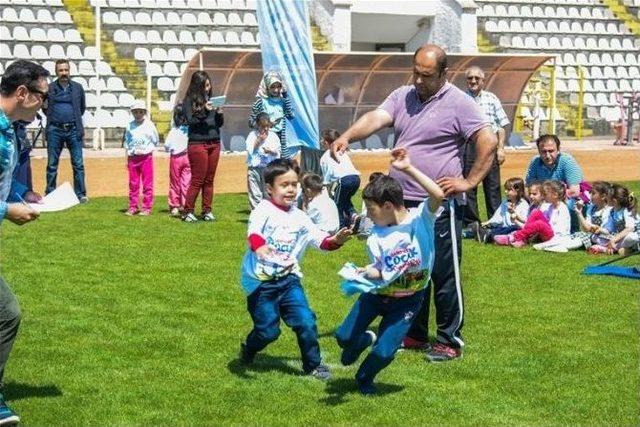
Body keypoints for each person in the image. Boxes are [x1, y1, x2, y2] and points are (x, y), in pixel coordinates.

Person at [331, 44, 498, 362]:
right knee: (410, 266)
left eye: (427, 76)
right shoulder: (403, 95)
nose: (419, 81)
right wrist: (348, 136)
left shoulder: (459, 103)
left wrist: (469, 182)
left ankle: (450, 340)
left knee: (444, 274)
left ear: (443, 73)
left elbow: (488, 140)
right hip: (402, 203)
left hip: (437, 203)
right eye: (416, 73)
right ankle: (416, 333)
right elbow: (377, 117)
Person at [334, 147, 444, 395]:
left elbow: (437, 194)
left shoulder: (420, 220)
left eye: (371, 210)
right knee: (343, 338)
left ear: (386, 206)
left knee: (385, 351)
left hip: (408, 301)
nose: (369, 216)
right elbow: (381, 268)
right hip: (376, 295)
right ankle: (362, 340)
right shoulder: (377, 234)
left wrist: (407, 168)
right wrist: (365, 271)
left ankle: (364, 377)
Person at [238, 158, 351, 380]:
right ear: (270, 188)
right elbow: (254, 233)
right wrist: (259, 247)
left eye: (294, 184)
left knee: (306, 321)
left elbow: (321, 242)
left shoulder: (301, 218)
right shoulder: (263, 209)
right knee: (268, 331)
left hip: (289, 280)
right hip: (261, 283)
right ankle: (250, 348)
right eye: (284, 185)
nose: (291, 189)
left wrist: (336, 240)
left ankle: (313, 365)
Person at [0, 59, 49, 425]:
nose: (43, 104)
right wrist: (6, 211)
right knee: (7, 314)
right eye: (41, 96)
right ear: (22, 93)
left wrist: (23, 193)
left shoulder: (10, 131)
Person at [462, 66, 510, 233]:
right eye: (470, 78)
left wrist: (501, 149)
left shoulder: (491, 98)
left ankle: (495, 220)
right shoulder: (460, 99)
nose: (473, 81)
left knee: (493, 186)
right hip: (468, 147)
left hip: (490, 147)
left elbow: (501, 126)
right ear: (466, 80)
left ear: (483, 81)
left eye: (477, 78)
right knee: (469, 186)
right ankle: (472, 223)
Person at [182, 71, 224, 223]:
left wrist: (219, 113)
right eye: (205, 85)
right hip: (198, 143)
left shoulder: (211, 100)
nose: (208, 88)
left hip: (214, 142)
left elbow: (218, 124)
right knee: (198, 179)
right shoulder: (188, 101)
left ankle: (207, 210)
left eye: (209, 84)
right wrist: (204, 109)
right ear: (198, 86)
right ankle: (188, 211)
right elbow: (191, 121)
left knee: (209, 179)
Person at [44, 59, 88, 202]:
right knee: (52, 164)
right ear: (56, 72)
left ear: (69, 71)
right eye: (60, 70)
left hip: (74, 130)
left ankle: (80, 194)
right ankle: (50, 193)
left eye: (66, 70)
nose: (63, 73)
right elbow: (44, 107)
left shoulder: (77, 88)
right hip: (54, 130)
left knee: (78, 164)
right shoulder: (49, 88)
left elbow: (81, 108)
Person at [536, 181, 613, 253]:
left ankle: (561, 247)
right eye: (590, 193)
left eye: (593, 193)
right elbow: (585, 228)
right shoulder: (591, 208)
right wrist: (579, 213)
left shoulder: (609, 211)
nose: (590, 196)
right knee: (577, 236)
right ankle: (554, 245)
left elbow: (607, 230)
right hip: (592, 235)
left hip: (603, 237)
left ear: (603, 196)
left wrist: (596, 229)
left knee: (580, 239)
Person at [494, 180, 570, 248]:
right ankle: (522, 239)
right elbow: (533, 223)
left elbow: (560, 231)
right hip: (547, 233)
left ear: (555, 195)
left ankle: (514, 237)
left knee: (539, 223)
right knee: (535, 213)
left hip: (556, 237)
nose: (544, 196)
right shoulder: (549, 206)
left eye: (546, 194)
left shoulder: (562, 208)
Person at [320, 129, 361, 229]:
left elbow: (327, 179)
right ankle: (354, 216)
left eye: (321, 139)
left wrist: (326, 190)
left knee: (337, 204)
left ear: (325, 142)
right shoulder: (343, 152)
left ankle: (340, 227)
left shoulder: (325, 156)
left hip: (343, 181)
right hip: (356, 179)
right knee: (345, 200)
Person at [123, 100, 158, 216]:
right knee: (133, 184)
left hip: (146, 158)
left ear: (144, 113)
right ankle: (133, 206)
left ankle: (146, 207)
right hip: (133, 159)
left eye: (140, 112)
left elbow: (155, 139)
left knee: (147, 184)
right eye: (135, 112)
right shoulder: (129, 126)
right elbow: (127, 143)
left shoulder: (150, 125)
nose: (138, 114)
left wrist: (147, 149)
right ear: (132, 113)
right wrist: (127, 159)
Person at [249, 71, 295, 159]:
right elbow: (251, 122)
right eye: (272, 87)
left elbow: (291, 115)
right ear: (267, 87)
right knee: (268, 165)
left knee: (283, 165)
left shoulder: (283, 101)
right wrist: (265, 124)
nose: (276, 90)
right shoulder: (260, 102)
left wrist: (285, 95)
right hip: (266, 139)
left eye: (278, 86)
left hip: (282, 139)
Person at [525, 134, 584, 199]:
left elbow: (574, 192)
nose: (547, 155)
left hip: (566, 199)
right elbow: (527, 188)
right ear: (539, 151)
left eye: (551, 151)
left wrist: (547, 199)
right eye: (544, 151)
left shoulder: (567, 161)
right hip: (543, 199)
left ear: (558, 149)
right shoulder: (535, 162)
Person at [474, 177, 529, 244]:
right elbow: (498, 216)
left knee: (511, 229)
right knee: (498, 229)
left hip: (517, 228)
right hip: (505, 227)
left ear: (517, 191)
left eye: (509, 190)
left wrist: (514, 214)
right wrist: (488, 222)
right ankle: (475, 232)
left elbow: (525, 222)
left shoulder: (524, 205)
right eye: (505, 189)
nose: (506, 192)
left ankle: (487, 235)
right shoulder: (505, 202)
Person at [245, 112, 281, 210]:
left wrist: (271, 151)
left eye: (267, 126)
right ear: (258, 125)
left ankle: (269, 216)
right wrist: (259, 141)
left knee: (268, 194)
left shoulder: (273, 136)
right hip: (254, 169)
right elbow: (250, 151)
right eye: (262, 126)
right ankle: (256, 216)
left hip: (269, 170)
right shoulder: (252, 135)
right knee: (255, 194)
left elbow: (278, 153)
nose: (265, 129)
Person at [591, 184, 638, 255]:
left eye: (608, 196)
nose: (606, 198)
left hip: (634, 235)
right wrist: (600, 229)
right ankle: (622, 248)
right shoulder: (612, 211)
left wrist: (614, 240)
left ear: (614, 201)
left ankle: (608, 248)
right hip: (621, 237)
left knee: (631, 237)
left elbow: (630, 228)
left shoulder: (627, 210)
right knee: (594, 237)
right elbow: (609, 229)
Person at [164, 104, 191, 217]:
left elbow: (166, 145)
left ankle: (175, 205)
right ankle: (185, 205)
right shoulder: (189, 129)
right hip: (188, 157)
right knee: (186, 182)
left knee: (175, 183)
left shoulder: (173, 130)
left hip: (176, 158)